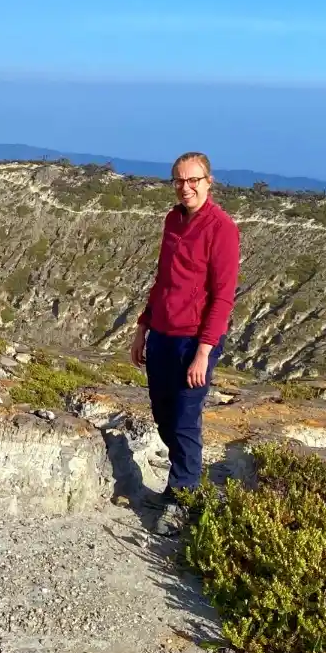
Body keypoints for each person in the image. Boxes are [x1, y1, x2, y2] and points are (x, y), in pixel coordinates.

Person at [131, 151, 240, 535]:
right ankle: (186, 483)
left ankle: (183, 496)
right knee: (163, 414)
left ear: (209, 182)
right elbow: (163, 279)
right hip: (162, 332)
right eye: (179, 180)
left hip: (194, 340)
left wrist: (204, 352)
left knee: (184, 419)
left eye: (193, 180)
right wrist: (143, 326)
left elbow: (223, 296)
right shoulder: (172, 221)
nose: (186, 187)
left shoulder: (221, 228)